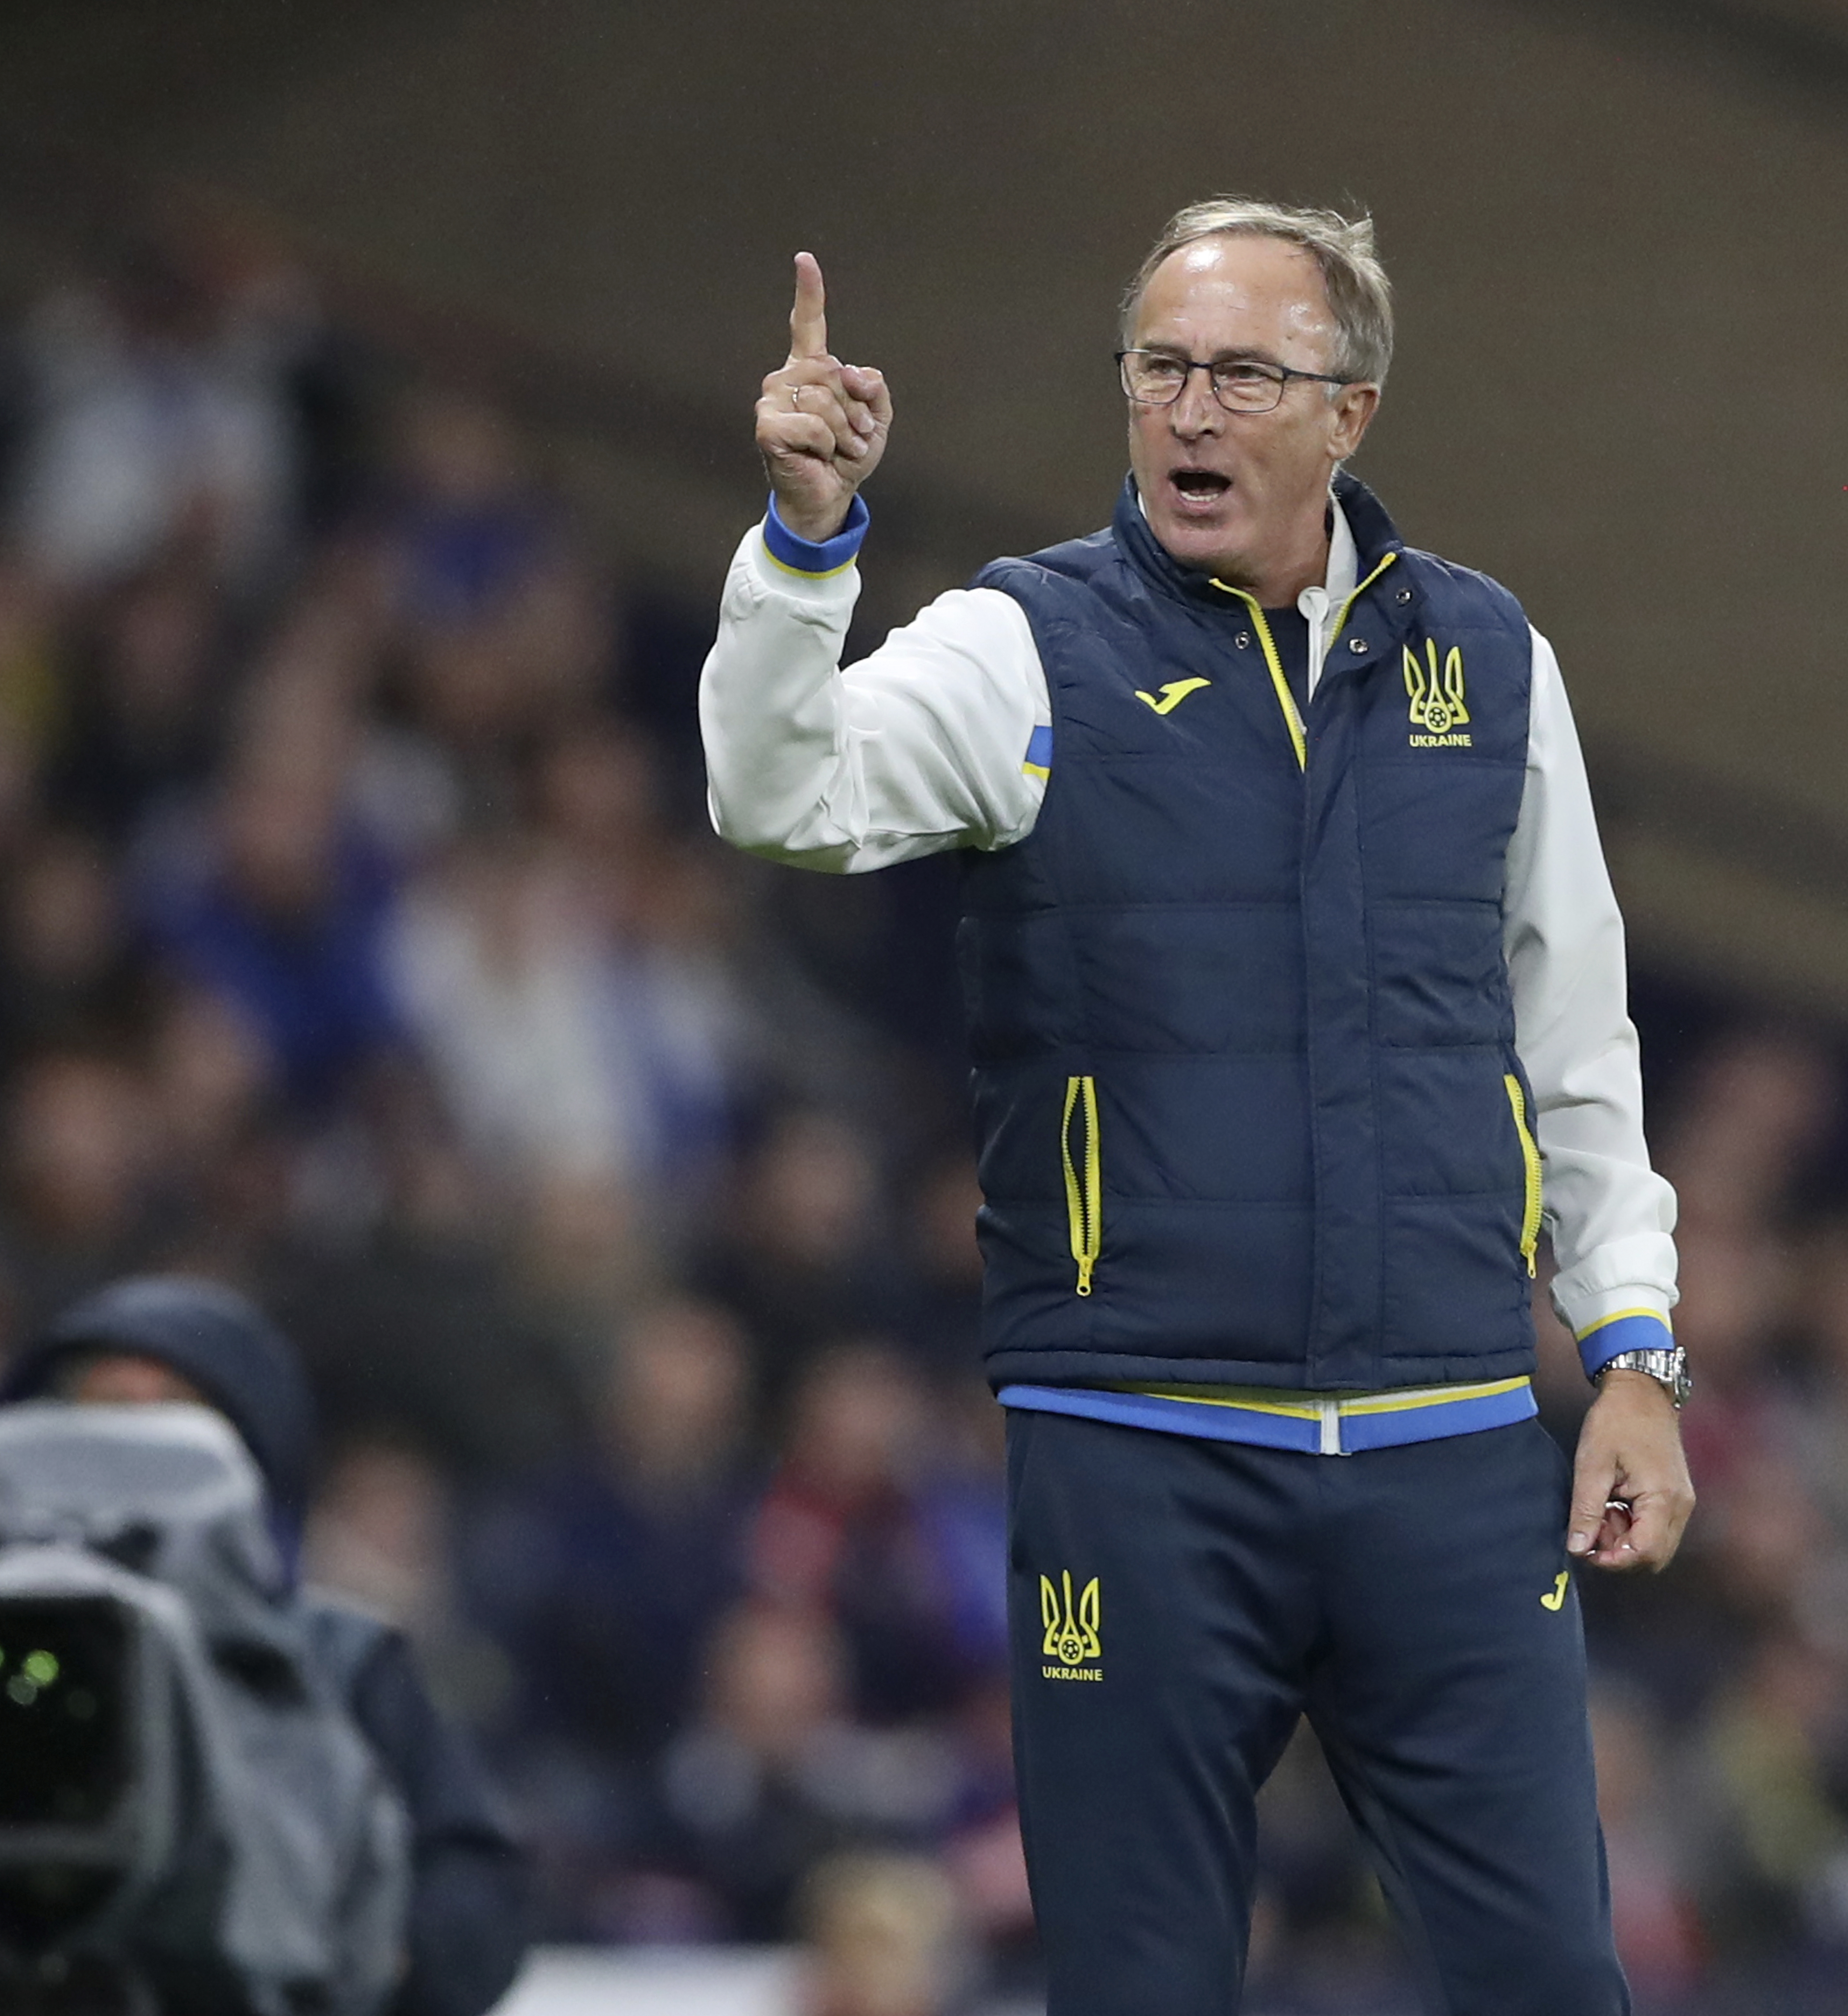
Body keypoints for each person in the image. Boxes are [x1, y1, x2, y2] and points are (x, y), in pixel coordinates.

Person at [700, 200, 1692, 2015]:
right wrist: (805, 546)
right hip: (1138, 1452)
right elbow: (781, 796)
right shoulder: (1027, 646)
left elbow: (1578, 1046)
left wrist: (1636, 1356)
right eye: (1160, 369)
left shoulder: (1489, 662)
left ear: (1353, 409)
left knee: (1553, 1984)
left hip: (1451, 1450)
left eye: (1243, 372)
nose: (1190, 412)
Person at [0, 1274, 529, 2016]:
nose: (128, 1444)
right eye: (101, 1406)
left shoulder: (328, 1661)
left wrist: (386, 1952)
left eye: (172, 1415)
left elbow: (473, 1883)